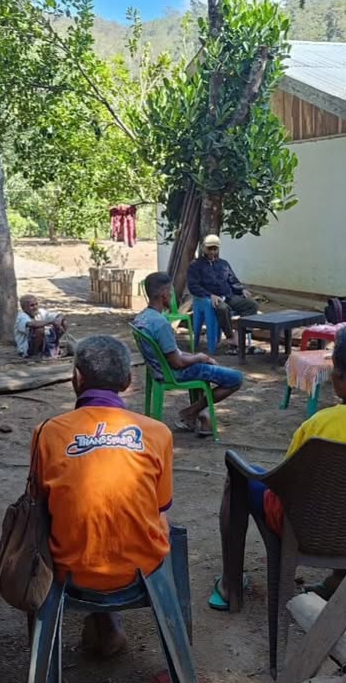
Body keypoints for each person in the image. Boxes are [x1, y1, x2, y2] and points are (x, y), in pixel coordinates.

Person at [208, 324, 346, 609]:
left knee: (240, 476)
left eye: (334, 369)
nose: (331, 376)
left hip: (307, 530)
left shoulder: (320, 425)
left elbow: (284, 485)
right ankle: (340, 581)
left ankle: (229, 586)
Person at [32, 335, 174, 657]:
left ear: (76, 378)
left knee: (71, 515)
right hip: (141, 569)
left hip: (71, 570)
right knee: (153, 515)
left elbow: (39, 506)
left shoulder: (47, 432)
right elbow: (160, 506)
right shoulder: (158, 433)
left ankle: (100, 623)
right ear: (127, 381)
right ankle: (109, 622)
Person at [133, 272, 243, 437]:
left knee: (204, 363)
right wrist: (199, 358)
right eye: (171, 293)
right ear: (164, 295)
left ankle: (199, 415)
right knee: (235, 378)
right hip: (174, 372)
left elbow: (171, 352)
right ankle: (191, 411)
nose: (173, 297)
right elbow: (177, 362)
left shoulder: (142, 318)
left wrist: (197, 357)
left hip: (158, 368)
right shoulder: (161, 324)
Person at [187, 234, 259, 351]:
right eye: (209, 248)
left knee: (252, 305)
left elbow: (232, 280)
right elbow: (193, 286)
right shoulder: (195, 265)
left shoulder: (223, 263)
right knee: (223, 308)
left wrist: (241, 289)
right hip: (209, 299)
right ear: (203, 248)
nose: (212, 251)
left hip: (228, 296)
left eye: (215, 248)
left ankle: (239, 335)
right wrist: (210, 295)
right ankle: (230, 337)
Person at [15, 294, 70, 358]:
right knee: (39, 330)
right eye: (32, 305)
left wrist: (58, 321)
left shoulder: (40, 312)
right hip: (26, 347)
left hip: (45, 340)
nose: (35, 307)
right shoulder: (21, 316)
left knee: (63, 322)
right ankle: (34, 354)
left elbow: (60, 315)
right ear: (24, 308)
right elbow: (32, 324)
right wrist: (51, 322)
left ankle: (52, 348)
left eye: (36, 304)